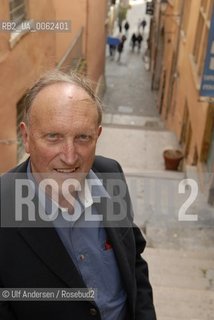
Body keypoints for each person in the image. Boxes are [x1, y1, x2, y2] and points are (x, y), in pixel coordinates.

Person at [0, 70, 157, 320]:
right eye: (53, 137)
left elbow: (134, 260)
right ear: (26, 137)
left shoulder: (110, 173)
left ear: (98, 136)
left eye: (83, 137)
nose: (70, 156)